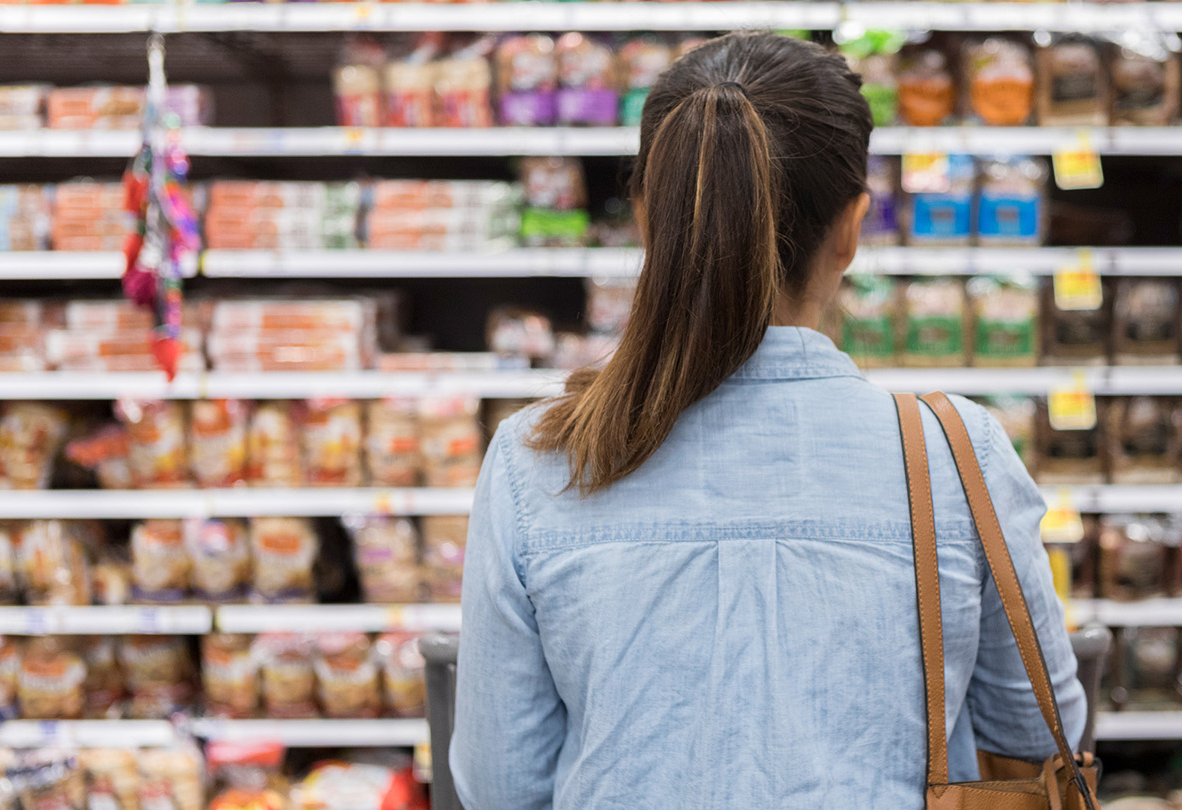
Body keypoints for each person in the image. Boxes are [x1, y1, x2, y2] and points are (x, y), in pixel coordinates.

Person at [451, 30, 1085, 810]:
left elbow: (499, 784)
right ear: (853, 228)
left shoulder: (538, 458)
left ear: (650, 220)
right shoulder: (955, 451)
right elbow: (1034, 733)